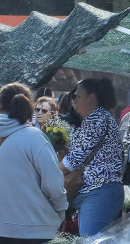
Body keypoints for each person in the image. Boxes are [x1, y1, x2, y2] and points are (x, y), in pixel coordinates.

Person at [0, 83, 66, 243]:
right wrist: (60, 210)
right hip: (30, 229)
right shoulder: (34, 138)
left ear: (0, 105)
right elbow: (53, 184)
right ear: (28, 105)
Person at [59, 78, 124, 236]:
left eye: (78, 96)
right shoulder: (98, 118)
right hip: (97, 193)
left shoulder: (96, 119)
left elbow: (75, 160)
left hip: (98, 192)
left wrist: (52, 169)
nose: (75, 100)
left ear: (91, 97)